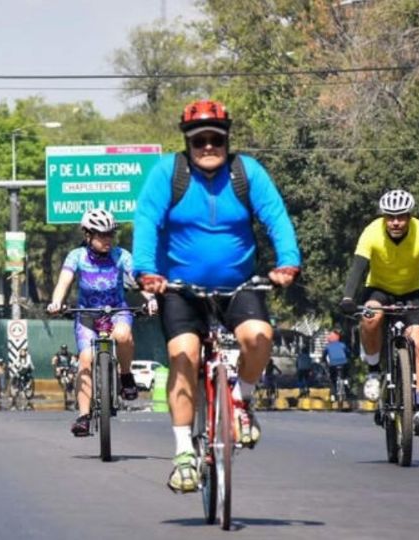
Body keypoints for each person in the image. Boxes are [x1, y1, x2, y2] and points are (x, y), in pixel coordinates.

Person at [133, 99, 301, 493]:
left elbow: (276, 217)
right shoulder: (167, 174)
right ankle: (183, 457)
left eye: (216, 139)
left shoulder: (247, 173)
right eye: (199, 141)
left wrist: (288, 262)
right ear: (188, 143)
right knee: (184, 356)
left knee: (259, 337)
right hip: (179, 289)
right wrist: (146, 271)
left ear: (226, 140)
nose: (208, 147)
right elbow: (146, 220)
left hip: (238, 285)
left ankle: (241, 402)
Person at [339, 189, 419, 437]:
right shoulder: (372, 232)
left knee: (418, 343)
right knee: (370, 316)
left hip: (411, 292)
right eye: (390, 217)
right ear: (384, 217)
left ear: (409, 217)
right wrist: (348, 297)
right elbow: (357, 269)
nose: (395, 222)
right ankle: (373, 371)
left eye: (401, 217)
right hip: (378, 290)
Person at [47, 208, 153, 436]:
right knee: (85, 359)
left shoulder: (121, 255)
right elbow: (63, 282)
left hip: (117, 310)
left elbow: (138, 280)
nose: (107, 239)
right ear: (87, 235)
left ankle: (125, 376)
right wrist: (56, 302)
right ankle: (84, 417)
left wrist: (151, 299)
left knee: (123, 335)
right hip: (87, 315)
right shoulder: (76, 256)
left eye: (110, 234)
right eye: (101, 235)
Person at [322, 331, 351, 398]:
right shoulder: (342, 345)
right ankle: (346, 382)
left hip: (333, 365)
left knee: (332, 378)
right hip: (343, 363)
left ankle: (334, 391)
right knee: (346, 374)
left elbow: (324, 356)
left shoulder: (328, 346)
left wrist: (324, 361)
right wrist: (349, 356)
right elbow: (348, 352)